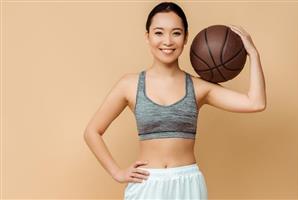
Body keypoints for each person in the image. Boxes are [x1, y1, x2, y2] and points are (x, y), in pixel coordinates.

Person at [83, 2, 266, 200]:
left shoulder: (198, 87)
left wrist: (253, 54)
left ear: (186, 37)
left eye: (176, 33)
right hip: (147, 183)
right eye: (159, 33)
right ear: (148, 36)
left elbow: (256, 103)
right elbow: (92, 132)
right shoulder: (130, 84)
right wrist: (117, 173)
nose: (167, 41)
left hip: (188, 183)